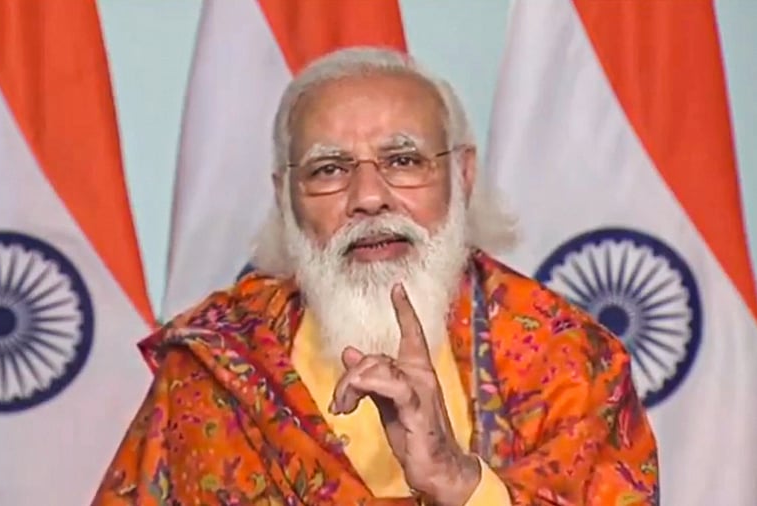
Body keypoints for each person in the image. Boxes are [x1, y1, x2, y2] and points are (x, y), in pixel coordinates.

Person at [92, 47, 659, 505]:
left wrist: (460, 483)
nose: (367, 198)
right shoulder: (218, 362)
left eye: (403, 160)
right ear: (286, 199)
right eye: (329, 169)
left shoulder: (565, 357)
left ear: (462, 176)